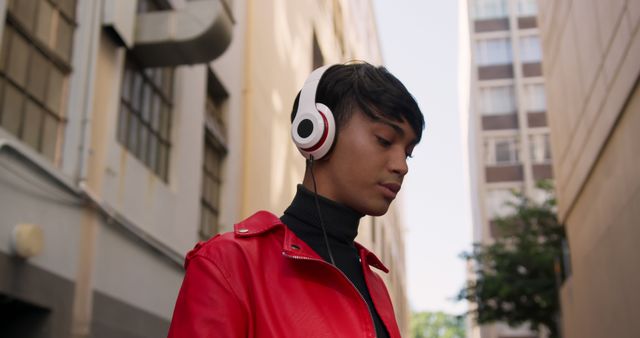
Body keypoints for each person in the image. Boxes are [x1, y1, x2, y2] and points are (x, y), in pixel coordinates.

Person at [167, 62, 425, 338]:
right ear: (316, 134)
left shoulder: (375, 285)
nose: (402, 166)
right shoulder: (229, 265)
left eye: (408, 153)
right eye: (385, 140)